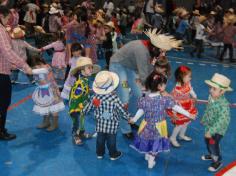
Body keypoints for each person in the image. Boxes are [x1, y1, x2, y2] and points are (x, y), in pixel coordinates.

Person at [109, 28, 182, 139]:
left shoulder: (152, 51)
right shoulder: (141, 51)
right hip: (118, 65)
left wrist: (158, 84)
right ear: (155, 48)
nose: (164, 54)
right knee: (124, 97)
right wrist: (159, 90)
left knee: (138, 95)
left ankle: (132, 119)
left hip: (130, 67)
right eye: (162, 51)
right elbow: (144, 76)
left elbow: (150, 70)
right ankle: (125, 128)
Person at [129, 72, 196, 169]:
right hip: (159, 127)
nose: (166, 85)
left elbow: (141, 110)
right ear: (160, 86)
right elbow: (176, 107)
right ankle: (151, 160)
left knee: (147, 140)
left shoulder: (144, 99)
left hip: (146, 125)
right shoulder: (164, 100)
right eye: (164, 84)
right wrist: (188, 114)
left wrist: (134, 119)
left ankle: (148, 154)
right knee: (156, 143)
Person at [0, 5, 32, 140]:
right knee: (3, 102)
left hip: (3, 68)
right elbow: (7, 51)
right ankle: (1, 131)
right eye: (7, 18)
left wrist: (12, 63)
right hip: (1, 73)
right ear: (1, 15)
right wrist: (24, 66)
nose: (8, 21)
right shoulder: (1, 30)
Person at [83, 71, 130, 160]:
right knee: (111, 140)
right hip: (112, 125)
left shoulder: (95, 97)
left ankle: (99, 153)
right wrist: (128, 117)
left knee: (100, 139)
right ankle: (113, 154)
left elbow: (87, 108)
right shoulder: (114, 98)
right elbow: (122, 110)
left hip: (100, 123)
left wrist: (83, 111)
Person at [201, 73, 232, 172]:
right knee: (207, 142)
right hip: (209, 126)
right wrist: (204, 119)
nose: (210, 90)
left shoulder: (224, 105)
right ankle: (212, 155)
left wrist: (211, 131)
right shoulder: (211, 97)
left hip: (217, 130)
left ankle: (217, 161)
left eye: (214, 89)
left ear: (222, 91)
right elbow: (208, 109)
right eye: (211, 87)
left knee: (213, 144)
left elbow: (221, 121)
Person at [69, 57, 100, 145]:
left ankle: (81, 133)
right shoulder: (80, 83)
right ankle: (75, 135)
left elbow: (85, 91)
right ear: (82, 70)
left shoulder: (84, 80)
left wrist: (89, 92)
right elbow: (76, 97)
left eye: (91, 67)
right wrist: (89, 100)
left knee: (82, 121)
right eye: (89, 68)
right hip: (76, 108)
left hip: (82, 107)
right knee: (77, 122)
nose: (91, 70)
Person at [31, 57, 65, 131]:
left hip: (52, 91)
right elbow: (37, 80)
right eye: (35, 66)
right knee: (45, 107)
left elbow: (50, 79)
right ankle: (46, 122)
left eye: (40, 65)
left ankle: (55, 124)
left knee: (54, 108)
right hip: (43, 91)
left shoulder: (47, 68)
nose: (38, 67)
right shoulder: (36, 72)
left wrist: (57, 90)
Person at [167, 66, 198, 147]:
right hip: (179, 108)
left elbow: (190, 89)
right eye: (189, 76)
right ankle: (172, 138)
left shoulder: (187, 83)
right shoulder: (177, 90)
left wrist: (194, 96)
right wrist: (174, 114)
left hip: (188, 105)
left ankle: (181, 135)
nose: (190, 78)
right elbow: (173, 103)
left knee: (187, 122)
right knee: (179, 124)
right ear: (182, 77)